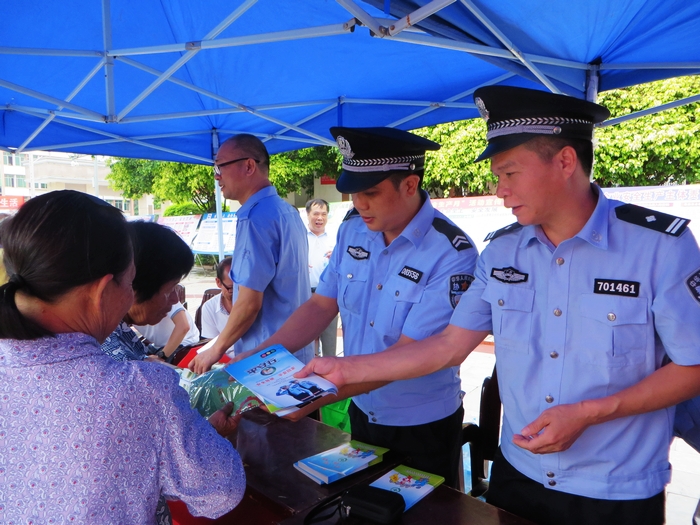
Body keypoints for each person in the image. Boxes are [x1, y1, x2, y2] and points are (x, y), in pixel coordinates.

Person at [298, 87, 700, 525]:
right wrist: (346, 370)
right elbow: (449, 345)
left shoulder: (659, 248)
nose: (500, 190)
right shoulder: (502, 252)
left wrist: (590, 413)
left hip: (615, 489)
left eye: (509, 173)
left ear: (565, 161)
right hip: (517, 475)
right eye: (497, 175)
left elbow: (693, 367)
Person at [0, 191, 245, 525]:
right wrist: (199, 436)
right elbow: (220, 490)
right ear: (102, 291)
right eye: (130, 283)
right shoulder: (141, 389)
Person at [255, 127, 479, 488]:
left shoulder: (451, 253)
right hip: (361, 410)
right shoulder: (353, 230)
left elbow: (409, 353)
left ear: (410, 184)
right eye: (354, 192)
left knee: (423, 512)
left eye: (371, 192)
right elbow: (320, 305)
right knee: (358, 505)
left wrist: (315, 397)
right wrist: (258, 357)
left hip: (420, 423)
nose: (359, 203)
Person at [190, 134, 312, 373]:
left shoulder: (254, 218)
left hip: (268, 364)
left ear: (248, 166)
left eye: (220, 166)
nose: (216, 176)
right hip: (295, 352)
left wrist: (216, 349)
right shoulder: (287, 212)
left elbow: (248, 303)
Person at [102, 221, 196, 363]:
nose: (175, 300)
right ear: (130, 284)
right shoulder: (108, 359)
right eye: (170, 290)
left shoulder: (116, 329)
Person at [305, 198, 339, 357]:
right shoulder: (300, 237)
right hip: (306, 294)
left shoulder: (335, 237)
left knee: (329, 339)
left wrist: (337, 257)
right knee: (307, 339)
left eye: (323, 214)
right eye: (316, 214)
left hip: (329, 295)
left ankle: (331, 366)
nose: (320, 218)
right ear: (308, 214)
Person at [134, 301, 200, 357]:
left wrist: (161, 356)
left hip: (185, 343)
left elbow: (183, 326)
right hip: (158, 346)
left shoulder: (165, 296)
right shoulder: (129, 306)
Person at [200, 256, 234, 348]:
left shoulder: (256, 303)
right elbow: (212, 345)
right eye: (231, 288)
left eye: (241, 287)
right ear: (218, 282)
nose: (238, 293)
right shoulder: (209, 307)